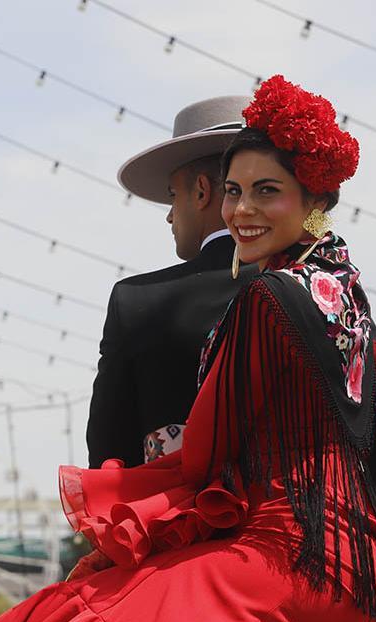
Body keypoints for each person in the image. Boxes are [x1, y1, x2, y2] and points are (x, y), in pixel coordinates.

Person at [0, 76, 376, 622]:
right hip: (362, 560)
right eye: (236, 192)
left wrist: (127, 515)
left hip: (288, 558)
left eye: (267, 191)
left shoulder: (266, 298)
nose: (242, 210)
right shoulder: (345, 290)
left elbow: (209, 461)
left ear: (312, 198)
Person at [87, 96, 254, 469]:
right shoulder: (325, 289)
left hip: (181, 524)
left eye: (172, 195)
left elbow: (109, 455)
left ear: (200, 191)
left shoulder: (137, 301)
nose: (168, 217)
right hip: (306, 522)